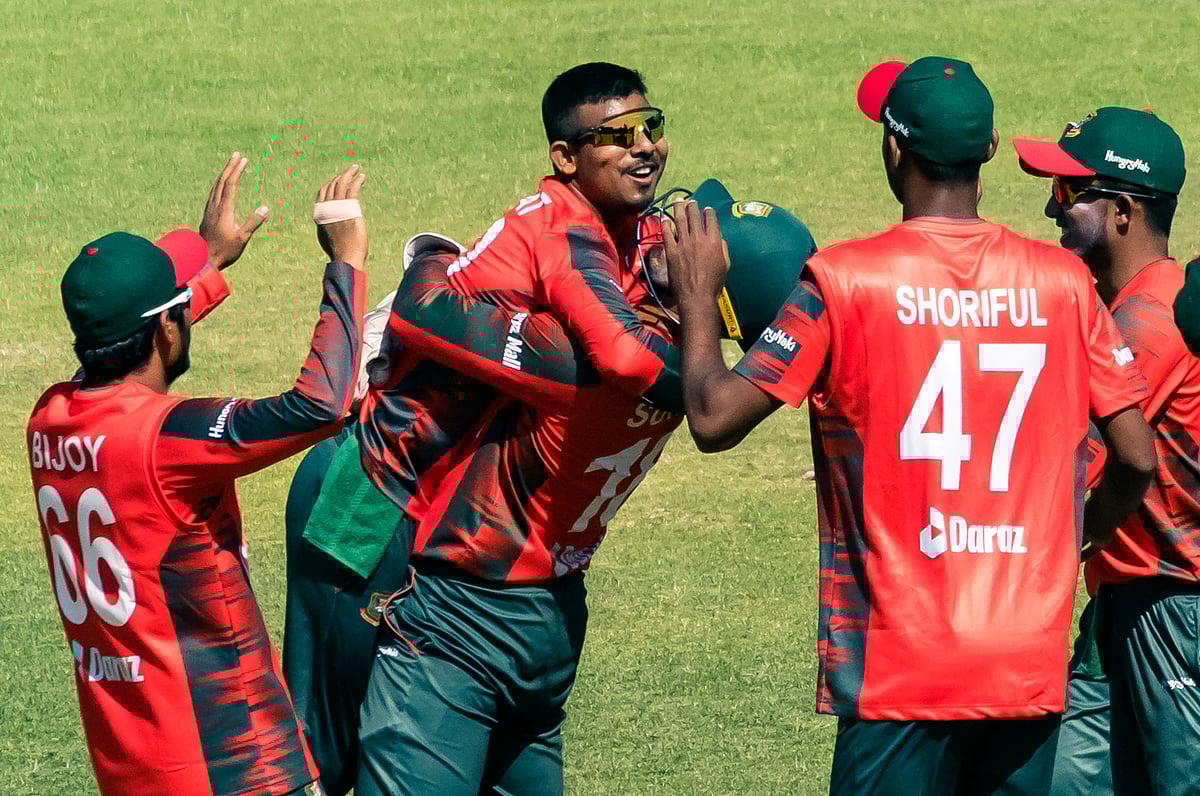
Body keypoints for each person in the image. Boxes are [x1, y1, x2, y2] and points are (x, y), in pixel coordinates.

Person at [660, 57, 1159, 795]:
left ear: (895, 150)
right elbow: (1138, 459)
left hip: (898, 665)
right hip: (1022, 659)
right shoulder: (1066, 287)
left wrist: (699, 300)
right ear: (990, 152)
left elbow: (712, 416)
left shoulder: (842, 281)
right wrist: (1074, 535)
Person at [355, 156, 817, 796]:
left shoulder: (579, 359)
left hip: (464, 613)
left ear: (705, 294)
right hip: (552, 619)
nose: (666, 233)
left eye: (686, 250)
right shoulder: (688, 378)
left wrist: (433, 255)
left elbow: (425, 308)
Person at [26, 155, 370, 796]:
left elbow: (130, 347)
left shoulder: (48, 418)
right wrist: (345, 262)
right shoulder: (166, 442)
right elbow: (319, 405)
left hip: (130, 767)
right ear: (165, 326)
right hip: (234, 766)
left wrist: (205, 263)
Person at [1015, 107, 1197, 796]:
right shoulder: (1114, 308)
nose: (1049, 206)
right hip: (1121, 602)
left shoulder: (1151, 320)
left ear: (1122, 211)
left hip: (1175, 607)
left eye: (1068, 193)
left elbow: (1074, 459)